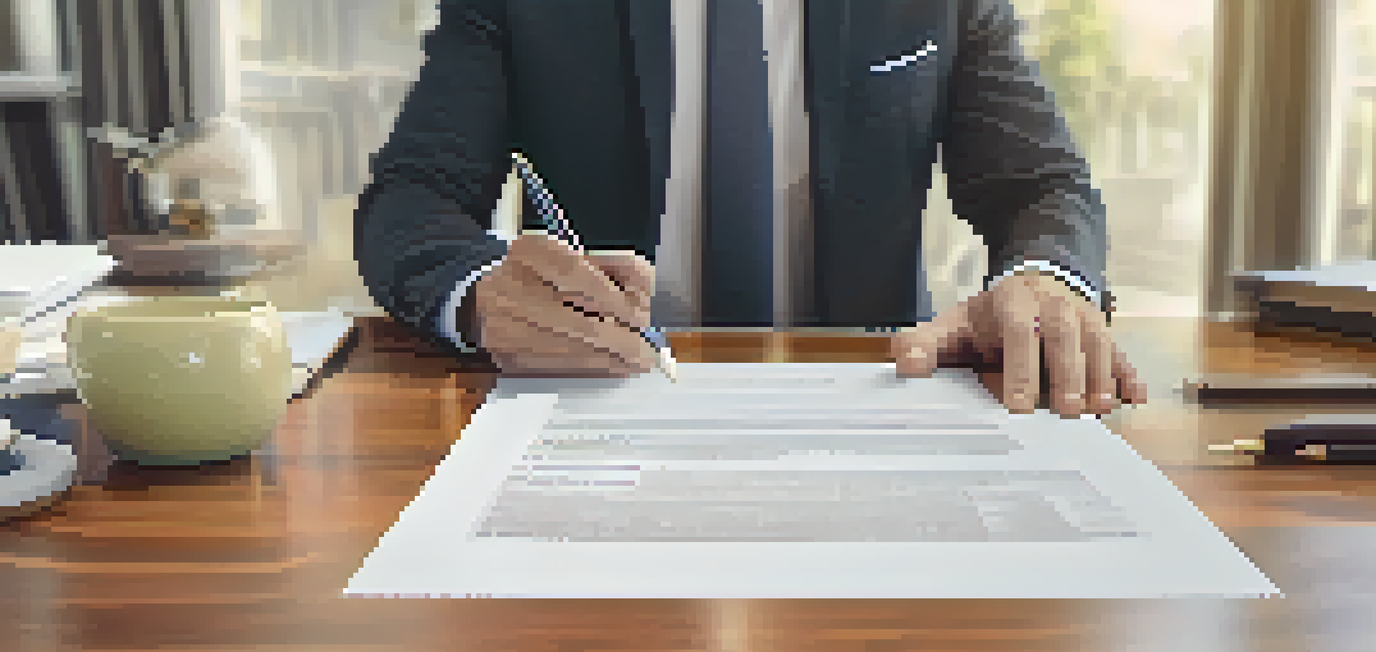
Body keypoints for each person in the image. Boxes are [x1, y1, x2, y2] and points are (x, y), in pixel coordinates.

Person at [355, 0, 1146, 417]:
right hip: (597, 403)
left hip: (876, 406)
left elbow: (1041, 182)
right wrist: (482, 292)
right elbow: (412, 195)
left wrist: (1045, 277)